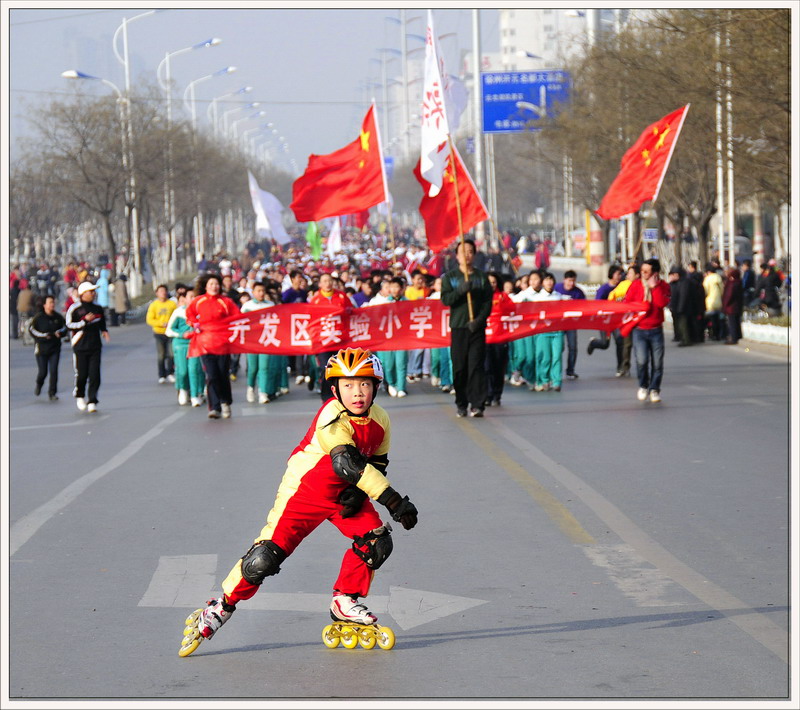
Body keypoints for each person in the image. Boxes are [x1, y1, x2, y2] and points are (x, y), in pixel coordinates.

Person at [178, 348, 418, 658]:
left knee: (376, 542)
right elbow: (348, 464)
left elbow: (378, 462)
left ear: (376, 387)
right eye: (348, 385)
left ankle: (345, 600)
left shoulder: (381, 419)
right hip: (304, 492)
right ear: (335, 390)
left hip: (344, 494)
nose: (356, 392)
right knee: (263, 560)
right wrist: (394, 501)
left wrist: (360, 494)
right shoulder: (331, 415)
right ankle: (220, 607)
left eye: (364, 384)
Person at [440, 239, 493, 417]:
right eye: (463, 252)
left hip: (476, 328)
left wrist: (479, 319)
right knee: (460, 367)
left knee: (476, 365)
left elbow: (487, 302)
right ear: (457, 256)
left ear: (474, 254)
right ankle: (461, 403)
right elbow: (446, 300)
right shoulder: (450, 278)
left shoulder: (481, 277)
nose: (467, 255)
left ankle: (477, 404)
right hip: (459, 327)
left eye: (470, 251)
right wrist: (461, 290)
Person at [186, 273, 241, 419]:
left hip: (223, 344)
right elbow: (189, 314)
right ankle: (214, 407)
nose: (214, 287)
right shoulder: (198, 301)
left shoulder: (226, 302)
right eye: (211, 284)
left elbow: (237, 317)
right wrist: (194, 323)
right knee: (212, 375)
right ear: (205, 286)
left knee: (223, 374)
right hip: (205, 344)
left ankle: (225, 402)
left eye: (216, 284)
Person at [623, 258, 670, 403]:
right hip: (639, 330)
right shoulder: (636, 285)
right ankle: (643, 385)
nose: (642, 273)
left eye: (646, 271)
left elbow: (662, 303)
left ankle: (654, 389)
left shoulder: (663, 286)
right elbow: (627, 303)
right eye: (642, 271)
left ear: (654, 273)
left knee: (657, 363)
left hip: (656, 330)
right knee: (642, 361)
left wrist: (654, 288)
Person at [66, 281, 110, 413]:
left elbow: (101, 322)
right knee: (82, 374)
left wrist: (104, 331)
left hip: (95, 345)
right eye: (90, 291)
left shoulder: (98, 308)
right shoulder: (75, 308)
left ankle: (92, 400)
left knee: (95, 374)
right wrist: (84, 321)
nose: (93, 293)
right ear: (83, 294)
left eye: (93, 291)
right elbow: (69, 325)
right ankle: (80, 395)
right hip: (80, 345)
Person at [309, 272, 351, 401]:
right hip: (324, 342)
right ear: (320, 284)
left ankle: (340, 395)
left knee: (340, 368)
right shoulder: (315, 300)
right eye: (325, 281)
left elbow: (352, 312)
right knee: (325, 368)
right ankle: (326, 397)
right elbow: (311, 321)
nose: (328, 283)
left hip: (340, 340)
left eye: (329, 280)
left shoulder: (342, 296)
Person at [165, 289, 205, 407]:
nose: (193, 299)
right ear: (185, 299)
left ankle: (195, 395)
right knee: (182, 371)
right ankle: (183, 390)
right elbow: (169, 330)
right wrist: (182, 334)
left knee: (194, 370)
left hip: (196, 345)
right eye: (190, 297)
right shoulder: (178, 312)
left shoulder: (201, 312)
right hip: (180, 345)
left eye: (195, 296)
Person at [240, 281, 275, 404]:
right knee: (253, 368)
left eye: (262, 291)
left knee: (264, 367)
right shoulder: (247, 306)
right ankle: (250, 388)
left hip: (266, 340)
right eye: (258, 291)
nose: (261, 293)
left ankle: (263, 392)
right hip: (252, 342)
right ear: (253, 292)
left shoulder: (270, 304)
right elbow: (241, 323)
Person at [587, 265, 625, 372]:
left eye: (621, 274)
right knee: (605, 344)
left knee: (619, 340)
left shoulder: (622, 287)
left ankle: (620, 367)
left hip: (617, 320)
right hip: (605, 320)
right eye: (617, 274)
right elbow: (597, 305)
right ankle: (594, 343)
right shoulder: (604, 289)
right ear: (611, 275)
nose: (619, 276)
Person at [531, 273, 565, 391]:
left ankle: (556, 381)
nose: (549, 283)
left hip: (557, 331)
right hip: (543, 331)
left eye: (551, 280)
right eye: (546, 280)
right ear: (542, 283)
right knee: (545, 358)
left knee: (556, 357)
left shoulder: (559, 297)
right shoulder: (537, 298)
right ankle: (544, 380)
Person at [29, 294, 67, 400]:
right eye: (50, 302)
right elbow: (32, 330)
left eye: (53, 302)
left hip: (55, 348)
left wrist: (60, 333)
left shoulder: (58, 317)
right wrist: (44, 336)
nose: (52, 305)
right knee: (43, 372)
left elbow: (64, 328)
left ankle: (52, 392)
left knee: (54, 371)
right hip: (41, 349)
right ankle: (39, 384)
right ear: (44, 305)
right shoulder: (38, 318)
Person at [484, 272, 513, 407]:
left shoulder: (503, 297)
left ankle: (497, 394)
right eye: (489, 282)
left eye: (494, 282)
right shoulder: (478, 297)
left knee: (499, 368)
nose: (491, 285)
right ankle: (488, 395)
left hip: (500, 338)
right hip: (484, 338)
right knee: (486, 368)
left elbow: (513, 309)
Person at [555, 270, 586, 379]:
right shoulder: (556, 288)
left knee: (573, 347)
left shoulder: (578, 293)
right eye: (569, 281)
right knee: (559, 347)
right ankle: (556, 370)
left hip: (571, 323)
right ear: (564, 280)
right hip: (558, 323)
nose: (571, 283)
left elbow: (585, 307)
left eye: (573, 281)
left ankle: (570, 370)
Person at [146, 284, 178, 384]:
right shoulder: (154, 305)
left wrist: (171, 324)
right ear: (157, 293)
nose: (163, 293)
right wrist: (161, 324)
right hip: (159, 332)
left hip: (170, 333)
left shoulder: (172, 304)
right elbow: (149, 319)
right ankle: (162, 375)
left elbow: (176, 316)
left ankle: (170, 373)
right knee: (161, 355)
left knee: (171, 354)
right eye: (160, 291)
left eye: (164, 291)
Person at [667, 267, 693, 347]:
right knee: (679, 324)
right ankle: (681, 338)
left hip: (682, 308)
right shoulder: (675, 283)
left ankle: (685, 340)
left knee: (683, 324)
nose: (673, 276)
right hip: (676, 307)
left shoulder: (684, 282)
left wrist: (680, 308)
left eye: (674, 275)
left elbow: (683, 296)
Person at [702, 263, 725, 341]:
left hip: (710, 302)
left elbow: (705, 291)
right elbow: (722, 290)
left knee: (711, 320)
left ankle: (713, 334)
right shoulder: (719, 278)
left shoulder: (707, 279)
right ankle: (719, 334)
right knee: (717, 319)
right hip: (718, 301)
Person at [722, 267, 744, 345]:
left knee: (732, 323)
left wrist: (725, 305)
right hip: (737, 306)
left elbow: (729, 295)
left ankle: (734, 338)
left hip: (731, 307)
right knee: (736, 322)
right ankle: (738, 336)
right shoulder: (739, 282)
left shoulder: (732, 283)